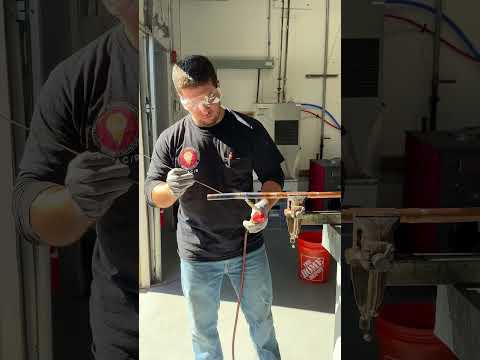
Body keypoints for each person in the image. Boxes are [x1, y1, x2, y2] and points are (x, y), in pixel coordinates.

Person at [13, 1, 140, 358]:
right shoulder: (78, 79)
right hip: (128, 324)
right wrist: (75, 203)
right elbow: (27, 204)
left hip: (228, 301)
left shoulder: (219, 60)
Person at [145, 55, 284, 360]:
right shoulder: (171, 140)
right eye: (192, 102)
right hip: (197, 254)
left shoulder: (248, 129)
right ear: (181, 99)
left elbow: (273, 178)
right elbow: (153, 194)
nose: (204, 107)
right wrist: (170, 189)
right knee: (203, 333)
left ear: (219, 86)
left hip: (247, 248)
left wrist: (264, 204)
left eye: (210, 97)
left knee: (262, 324)